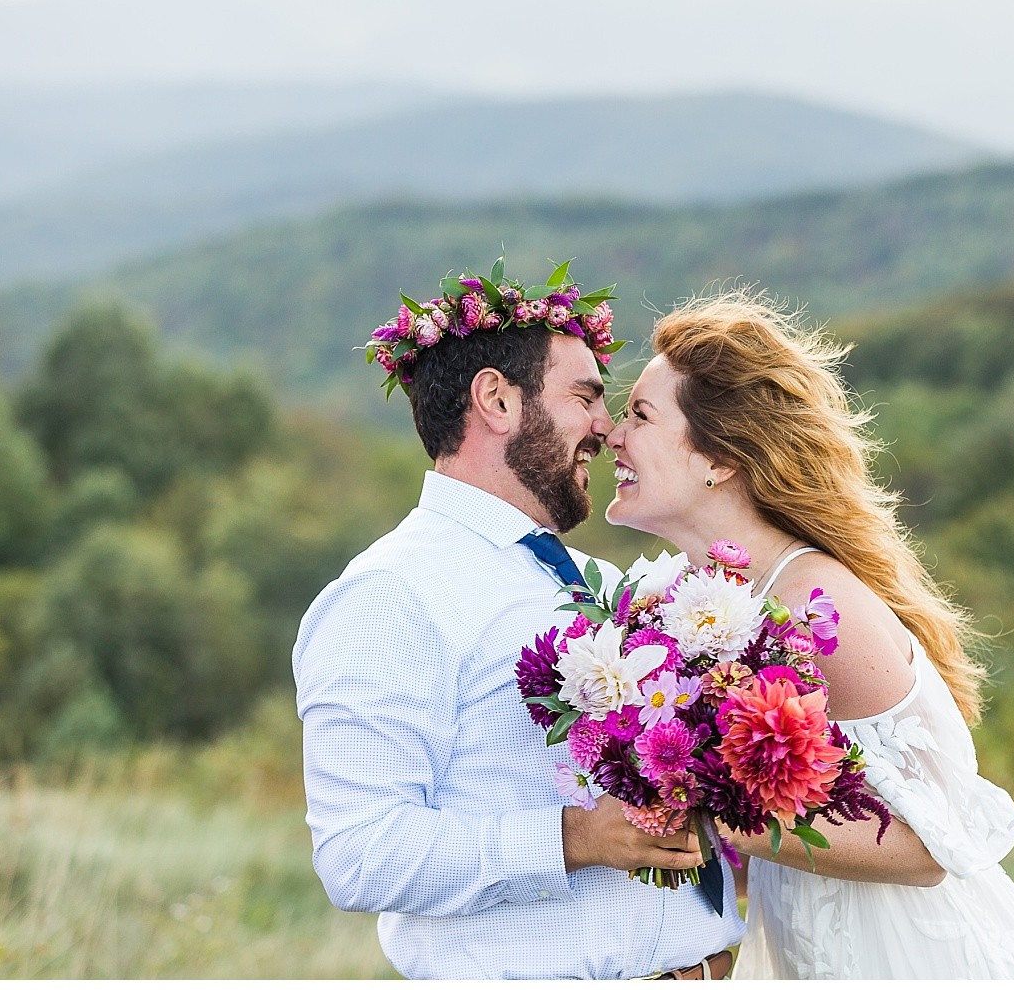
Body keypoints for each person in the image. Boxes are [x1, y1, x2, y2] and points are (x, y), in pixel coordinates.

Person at [603, 288, 1014, 979]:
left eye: (638, 415)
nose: (613, 436)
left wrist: (711, 818)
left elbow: (930, 846)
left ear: (719, 457)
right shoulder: (693, 601)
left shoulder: (818, 602)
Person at [292, 263, 743, 980]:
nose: (608, 426)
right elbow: (360, 852)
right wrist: (573, 838)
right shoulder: (390, 594)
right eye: (587, 396)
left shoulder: (605, 581)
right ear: (497, 399)